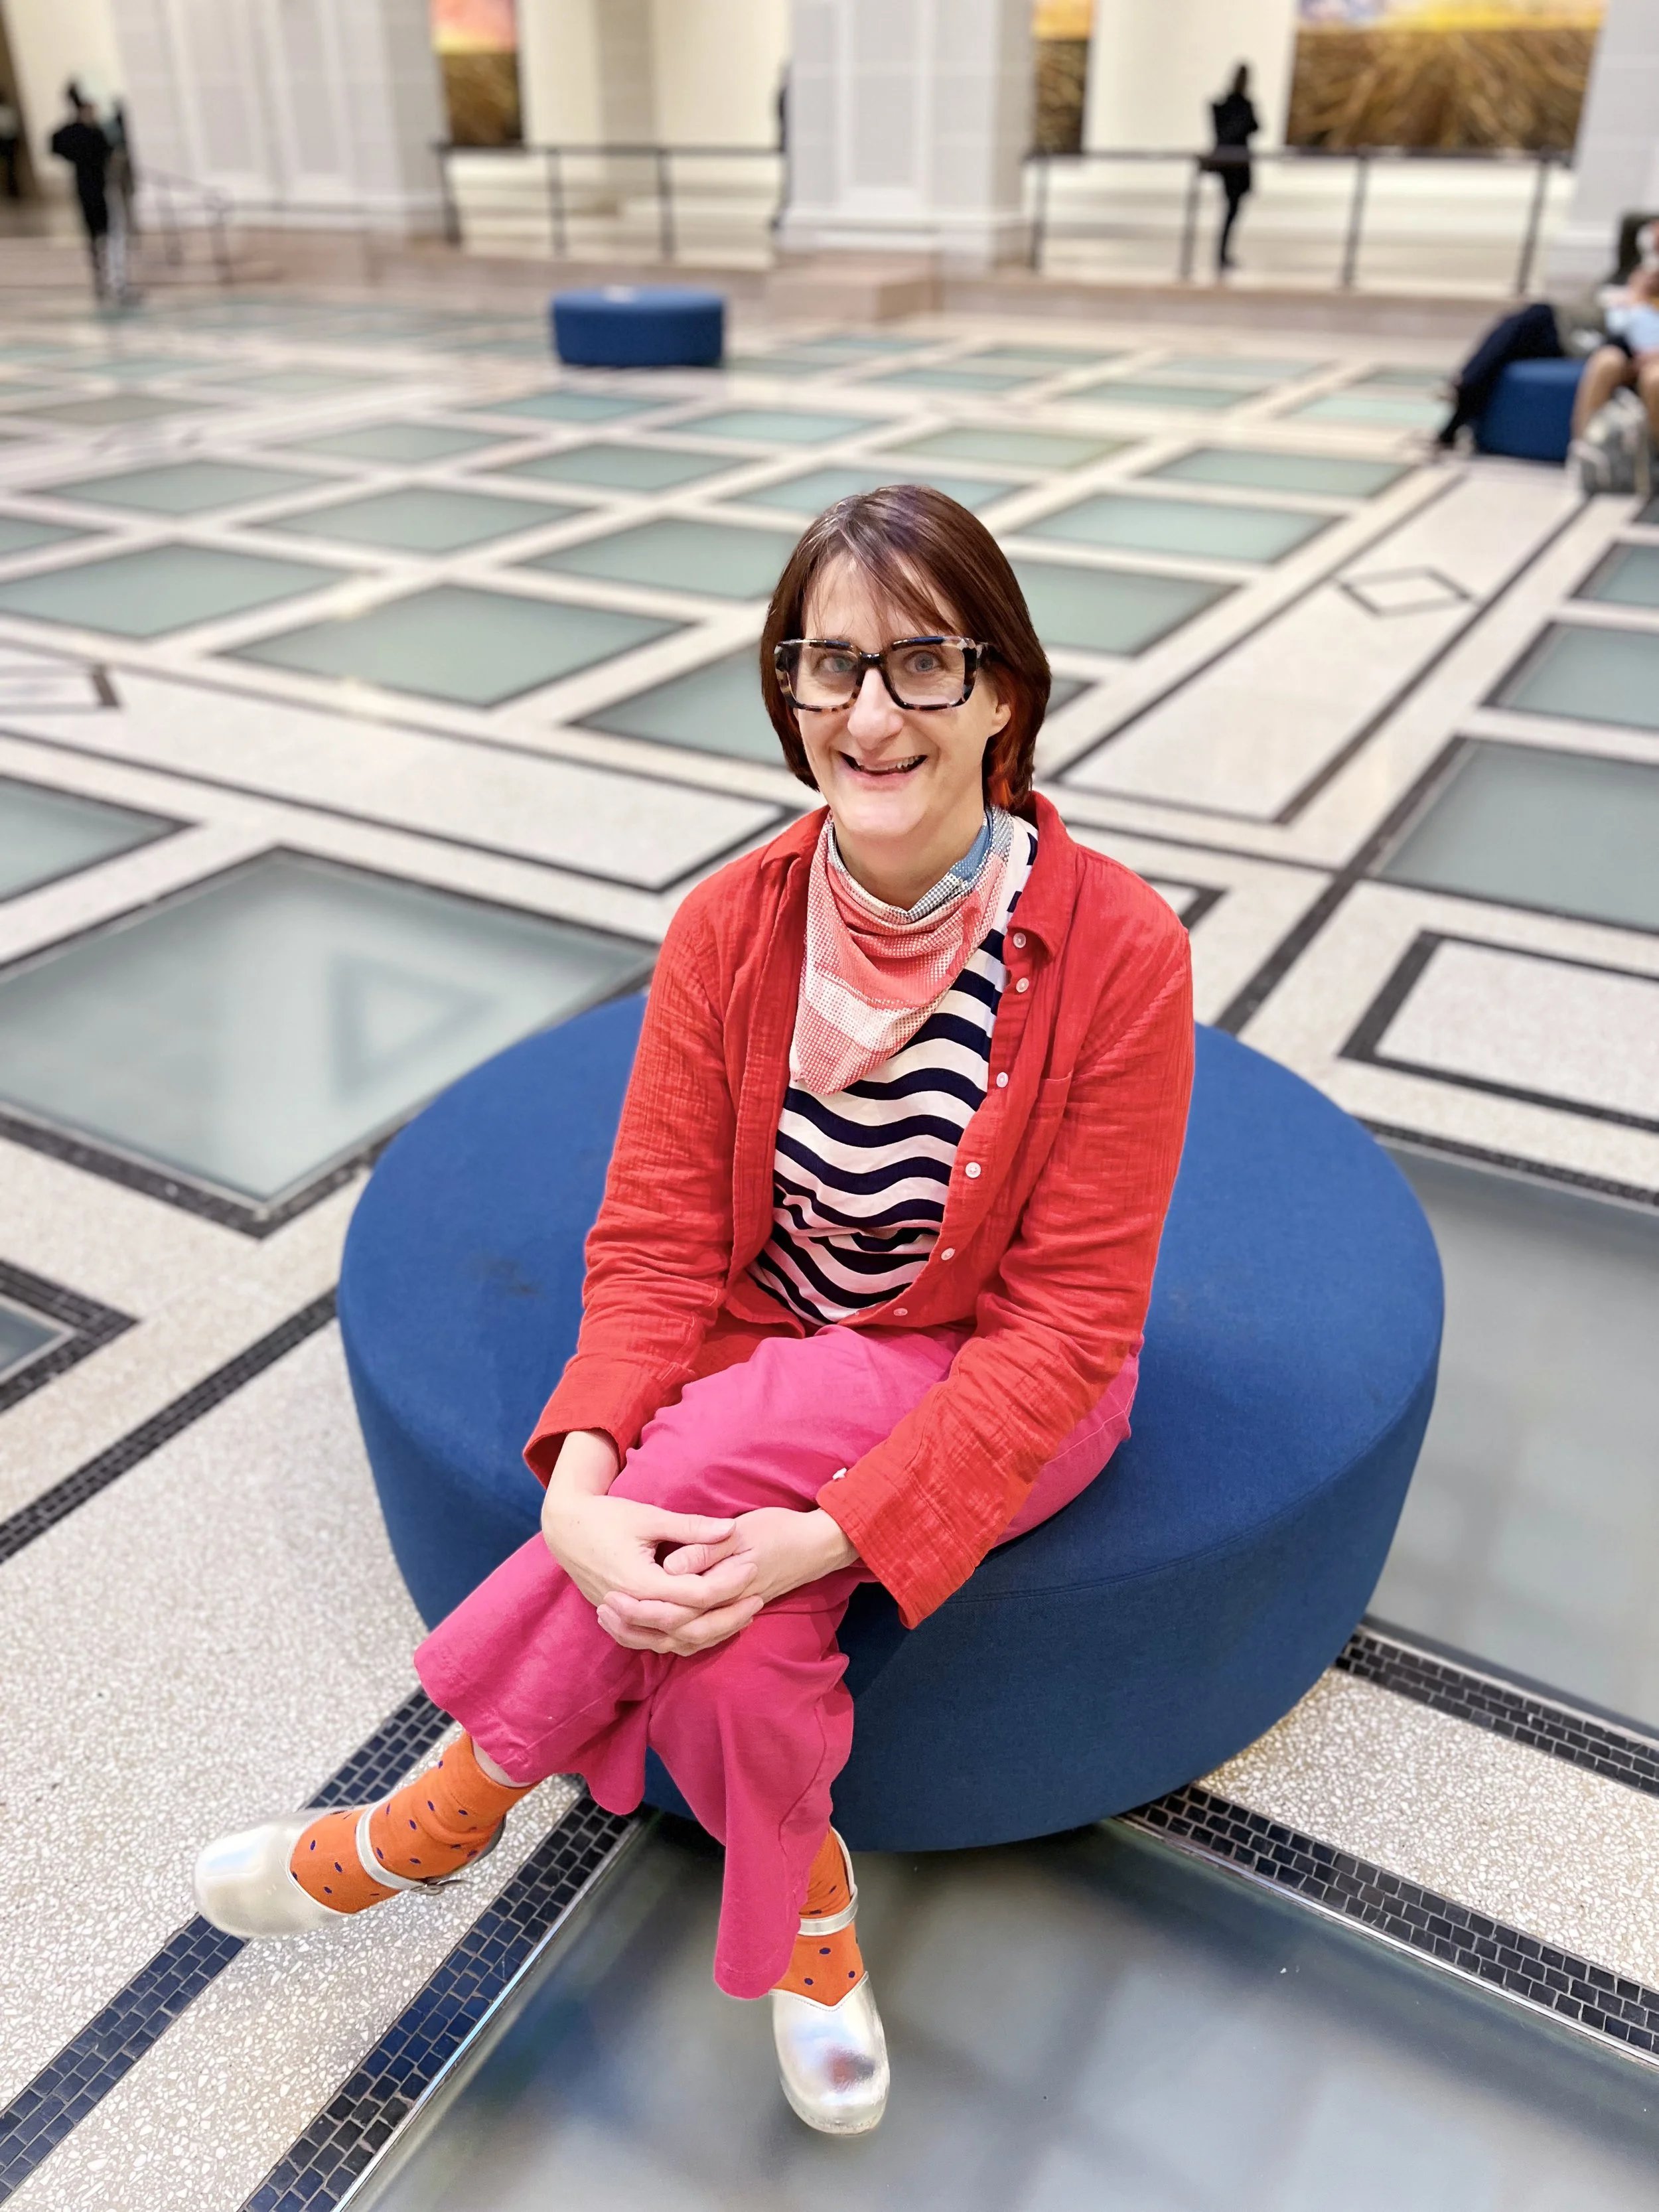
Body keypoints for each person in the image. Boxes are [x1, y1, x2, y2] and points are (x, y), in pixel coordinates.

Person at [192, 486, 1194, 2136]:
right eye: (826, 666)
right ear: (787, 692)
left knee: (751, 1449)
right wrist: (581, 1496)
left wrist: (831, 1535)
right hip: (776, 1347)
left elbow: (1070, 1323)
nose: (869, 716)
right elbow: (659, 1238)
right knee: (731, 1660)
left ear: (1006, 691)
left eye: (924, 665)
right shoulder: (732, 927)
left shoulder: (1118, 948)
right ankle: (812, 1929)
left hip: (1008, 1378)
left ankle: (440, 1812)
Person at [49, 91, 118, 301]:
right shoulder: (80, 132)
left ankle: (107, 270)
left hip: (99, 184)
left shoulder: (93, 130)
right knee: (95, 227)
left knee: (104, 228)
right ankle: (101, 270)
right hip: (88, 185)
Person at [1208, 64, 1258, 275]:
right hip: (1235, 164)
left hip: (1233, 163)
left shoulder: (1230, 104)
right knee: (1231, 210)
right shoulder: (1240, 105)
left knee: (1231, 209)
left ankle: (1222, 253)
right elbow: (1254, 126)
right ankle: (1222, 253)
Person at [0, 89, 21, 201]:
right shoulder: (9, 111)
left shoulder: (7, 112)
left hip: (6, 141)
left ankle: (12, 190)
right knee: (11, 167)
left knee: (10, 167)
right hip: (9, 141)